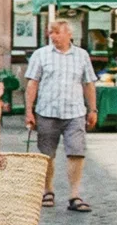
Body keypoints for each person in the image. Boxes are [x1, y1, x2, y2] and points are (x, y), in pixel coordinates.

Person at [25, 19, 99, 213]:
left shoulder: (82, 55)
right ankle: (47, 190)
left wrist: (93, 109)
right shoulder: (41, 55)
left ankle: (74, 195)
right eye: (51, 32)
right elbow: (32, 83)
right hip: (47, 111)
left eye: (57, 32)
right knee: (46, 154)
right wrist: (29, 111)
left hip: (75, 112)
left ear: (69, 35)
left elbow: (89, 83)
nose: (53, 36)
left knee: (76, 152)